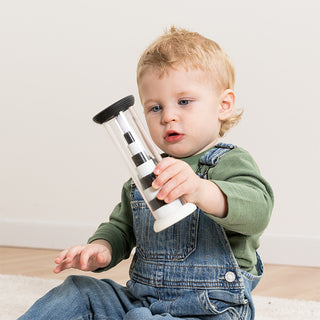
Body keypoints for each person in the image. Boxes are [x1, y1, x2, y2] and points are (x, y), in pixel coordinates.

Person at [19, 26, 274, 320]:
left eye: (184, 102)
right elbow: (121, 226)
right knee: (79, 291)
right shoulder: (145, 175)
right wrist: (101, 248)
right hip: (144, 301)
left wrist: (201, 190)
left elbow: (258, 210)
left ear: (223, 105)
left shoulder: (231, 162)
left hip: (212, 309)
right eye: (154, 108)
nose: (168, 116)